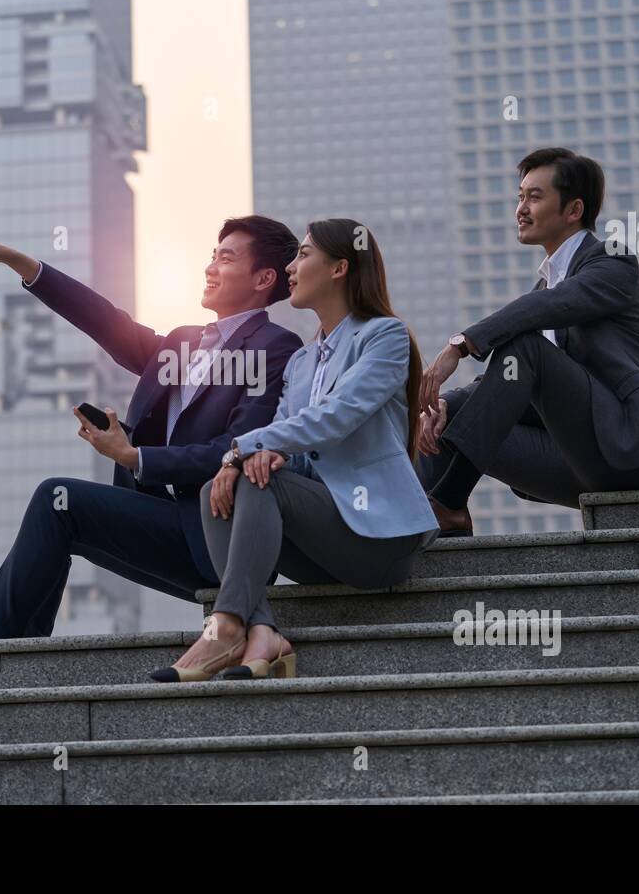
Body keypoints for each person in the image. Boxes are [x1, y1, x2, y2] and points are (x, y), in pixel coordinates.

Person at [0, 216, 304, 692]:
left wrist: (136, 458)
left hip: (213, 539)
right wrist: (14, 258)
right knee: (59, 509)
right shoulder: (182, 343)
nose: (210, 267)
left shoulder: (276, 347)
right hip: (161, 524)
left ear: (264, 279)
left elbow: (237, 450)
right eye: (212, 254)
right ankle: (0, 669)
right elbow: (105, 320)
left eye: (226, 257)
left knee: (57, 498)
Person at [151, 218, 437, 683]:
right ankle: (263, 632)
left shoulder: (384, 337)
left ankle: (225, 627)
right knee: (217, 490)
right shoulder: (302, 360)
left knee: (254, 476)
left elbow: (338, 417)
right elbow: (291, 440)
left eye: (303, 255)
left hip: (379, 541)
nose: (290, 266)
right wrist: (261, 457)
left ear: (340, 267)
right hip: (320, 541)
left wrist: (242, 449)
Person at [417, 147, 639, 536]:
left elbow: (550, 306)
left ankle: (447, 501)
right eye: (520, 196)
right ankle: (429, 533)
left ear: (573, 210)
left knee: (525, 346)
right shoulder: (545, 286)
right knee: (442, 418)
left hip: (633, 451)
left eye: (535, 197)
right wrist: (440, 405)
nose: (521, 208)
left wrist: (461, 345)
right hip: (574, 461)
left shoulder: (612, 262)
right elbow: (502, 384)